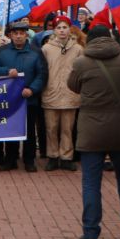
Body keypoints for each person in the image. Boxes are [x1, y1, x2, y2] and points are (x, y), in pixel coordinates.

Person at [66, 24, 120, 239]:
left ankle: (91, 233)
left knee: (91, 182)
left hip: (91, 130)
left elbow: (72, 85)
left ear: (89, 40)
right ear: (110, 38)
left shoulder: (82, 62)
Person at [0, 20, 48, 172]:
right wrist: (6, 71)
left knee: (29, 131)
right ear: (10, 35)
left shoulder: (35, 52)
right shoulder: (2, 51)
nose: (18, 36)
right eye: (15, 34)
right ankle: (10, 159)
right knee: (11, 129)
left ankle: (29, 160)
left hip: (29, 99)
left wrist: (32, 89)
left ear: (26, 35)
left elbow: (42, 74)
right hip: (9, 99)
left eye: (21, 33)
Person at [41, 16, 83, 172]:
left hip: (70, 93)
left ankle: (66, 157)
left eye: (64, 27)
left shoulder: (78, 49)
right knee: (51, 127)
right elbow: (42, 70)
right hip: (51, 93)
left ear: (69, 29)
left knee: (67, 128)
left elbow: (81, 71)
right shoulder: (46, 48)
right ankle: (52, 156)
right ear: (54, 30)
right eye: (58, 28)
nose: (62, 31)